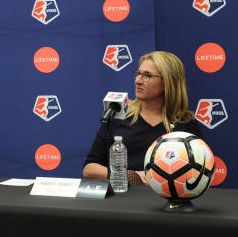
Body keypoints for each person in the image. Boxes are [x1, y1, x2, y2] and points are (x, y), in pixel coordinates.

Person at [83, 51, 203, 183]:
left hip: (167, 199)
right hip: (122, 197)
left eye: (147, 76)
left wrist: (156, 178)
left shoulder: (185, 123)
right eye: (138, 74)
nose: (138, 81)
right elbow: (89, 169)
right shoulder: (117, 116)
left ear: (167, 83)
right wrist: (129, 176)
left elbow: (199, 172)